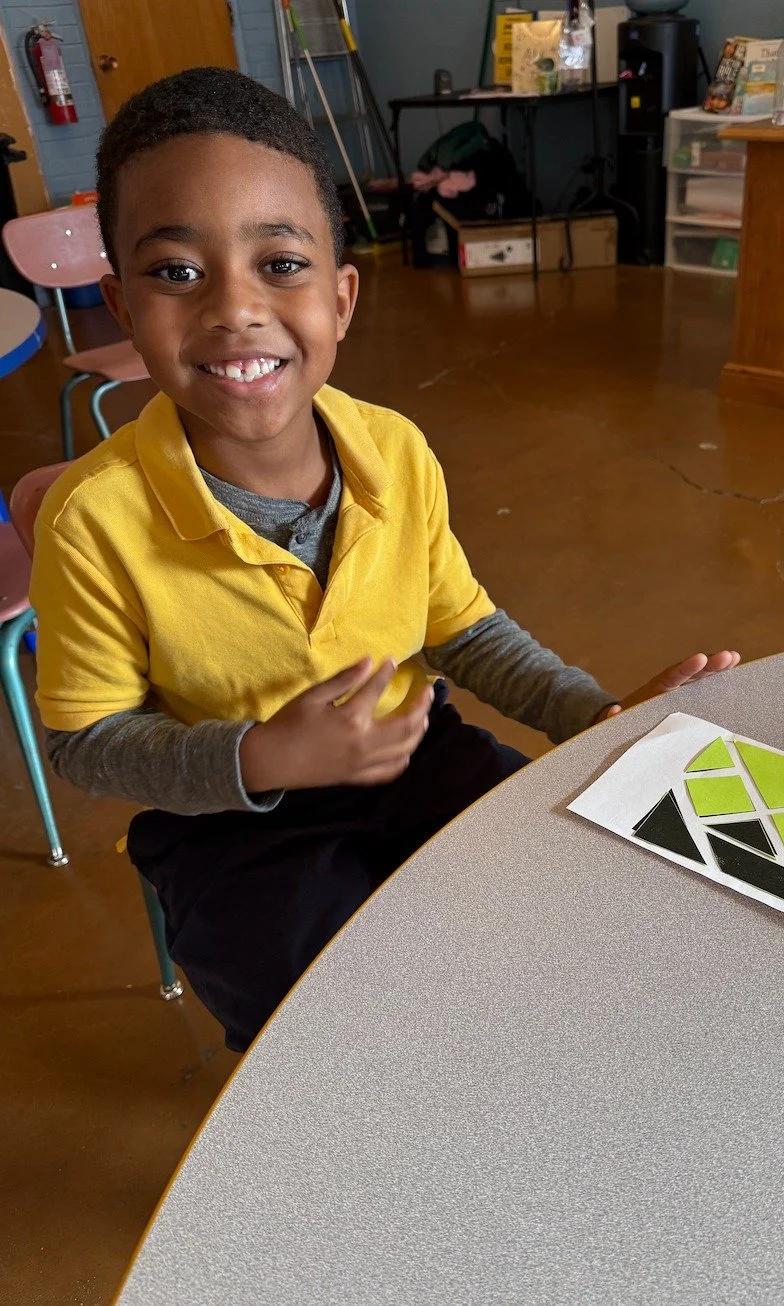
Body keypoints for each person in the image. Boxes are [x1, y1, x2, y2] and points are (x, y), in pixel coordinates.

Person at [30, 68, 740, 1051]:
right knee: (327, 1014)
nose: (235, 310)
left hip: (412, 751)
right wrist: (263, 754)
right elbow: (85, 741)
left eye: (280, 264)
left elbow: (465, 628)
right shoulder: (93, 520)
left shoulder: (393, 452)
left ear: (342, 295)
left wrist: (595, 715)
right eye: (177, 272)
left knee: (545, 895)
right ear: (119, 302)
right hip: (231, 819)